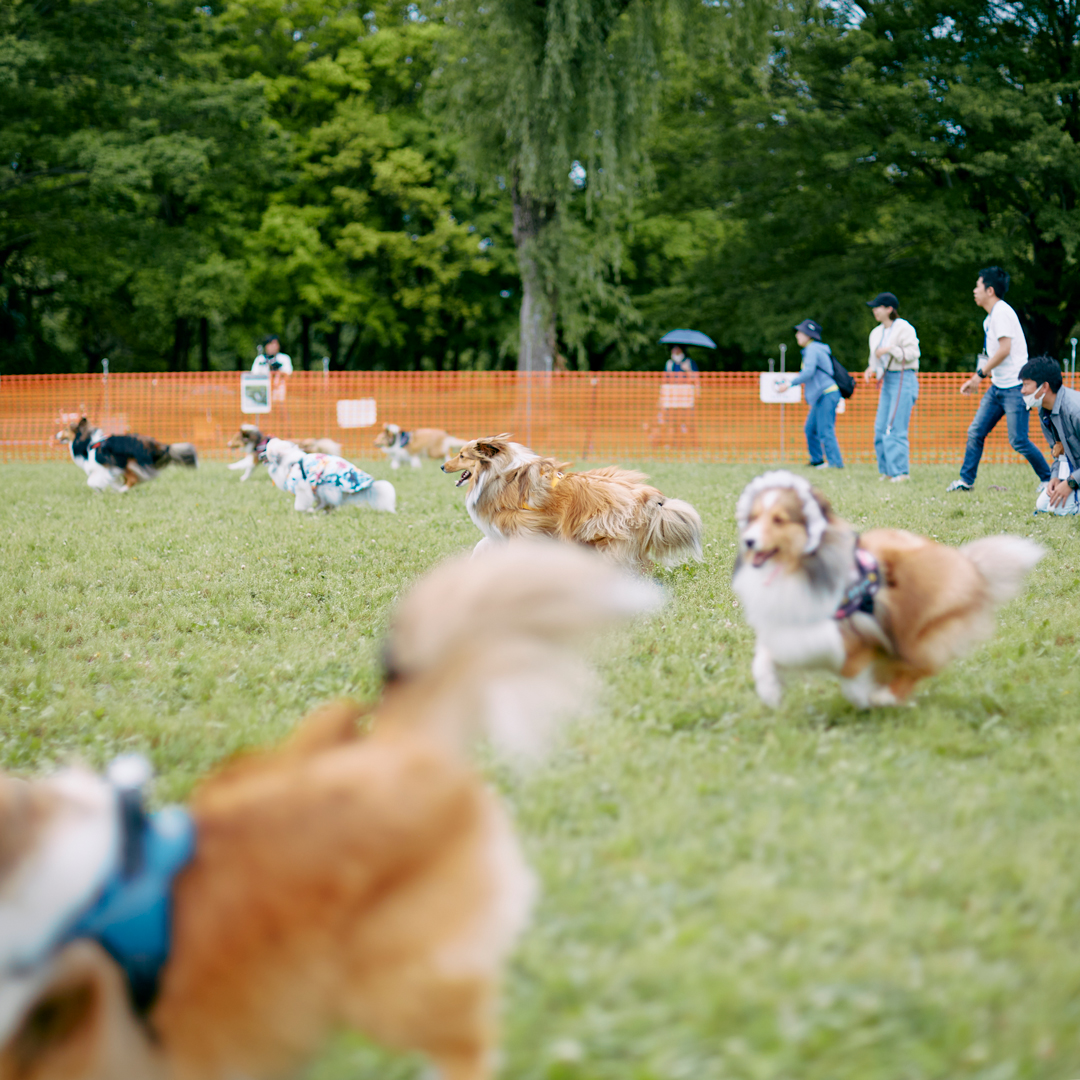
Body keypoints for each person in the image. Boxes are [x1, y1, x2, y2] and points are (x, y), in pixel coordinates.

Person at [947, 267, 1050, 492]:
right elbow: (993, 352)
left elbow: (1004, 349)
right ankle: (965, 482)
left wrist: (978, 375)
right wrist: (984, 375)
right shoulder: (990, 318)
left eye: (977, 286)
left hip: (1015, 388)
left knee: (1019, 440)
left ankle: (1048, 479)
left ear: (990, 290)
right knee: (975, 432)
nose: (974, 290)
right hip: (998, 387)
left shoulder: (1002, 312)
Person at [863, 291, 920, 483]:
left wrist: (891, 349)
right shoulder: (876, 332)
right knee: (880, 427)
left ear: (889, 309)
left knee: (895, 426)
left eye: (878, 307)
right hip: (886, 380)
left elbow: (913, 353)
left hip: (904, 378)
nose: (875, 311)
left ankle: (901, 472)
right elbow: (875, 359)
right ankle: (887, 471)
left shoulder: (904, 328)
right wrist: (870, 369)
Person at [777, 318, 843, 469]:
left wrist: (789, 384)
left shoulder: (813, 349)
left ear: (809, 335)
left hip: (827, 393)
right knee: (810, 428)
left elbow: (808, 372)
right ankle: (817, 461)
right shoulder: (813, 349)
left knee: (825, 430)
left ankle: (836, 464)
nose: (797, 336)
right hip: (820, 395)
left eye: (800, 333)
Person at [1019, 355, 1080, 516]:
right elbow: (1059, 452)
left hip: (1076, 476)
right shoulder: (1044, 411)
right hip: (1075, 472)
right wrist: (1056, 477)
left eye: (1026, 384)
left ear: (1044, 386)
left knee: (1060, 508)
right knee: (1043, 504)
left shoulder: (1075, 410)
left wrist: (1071, 482)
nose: (1022, 390)